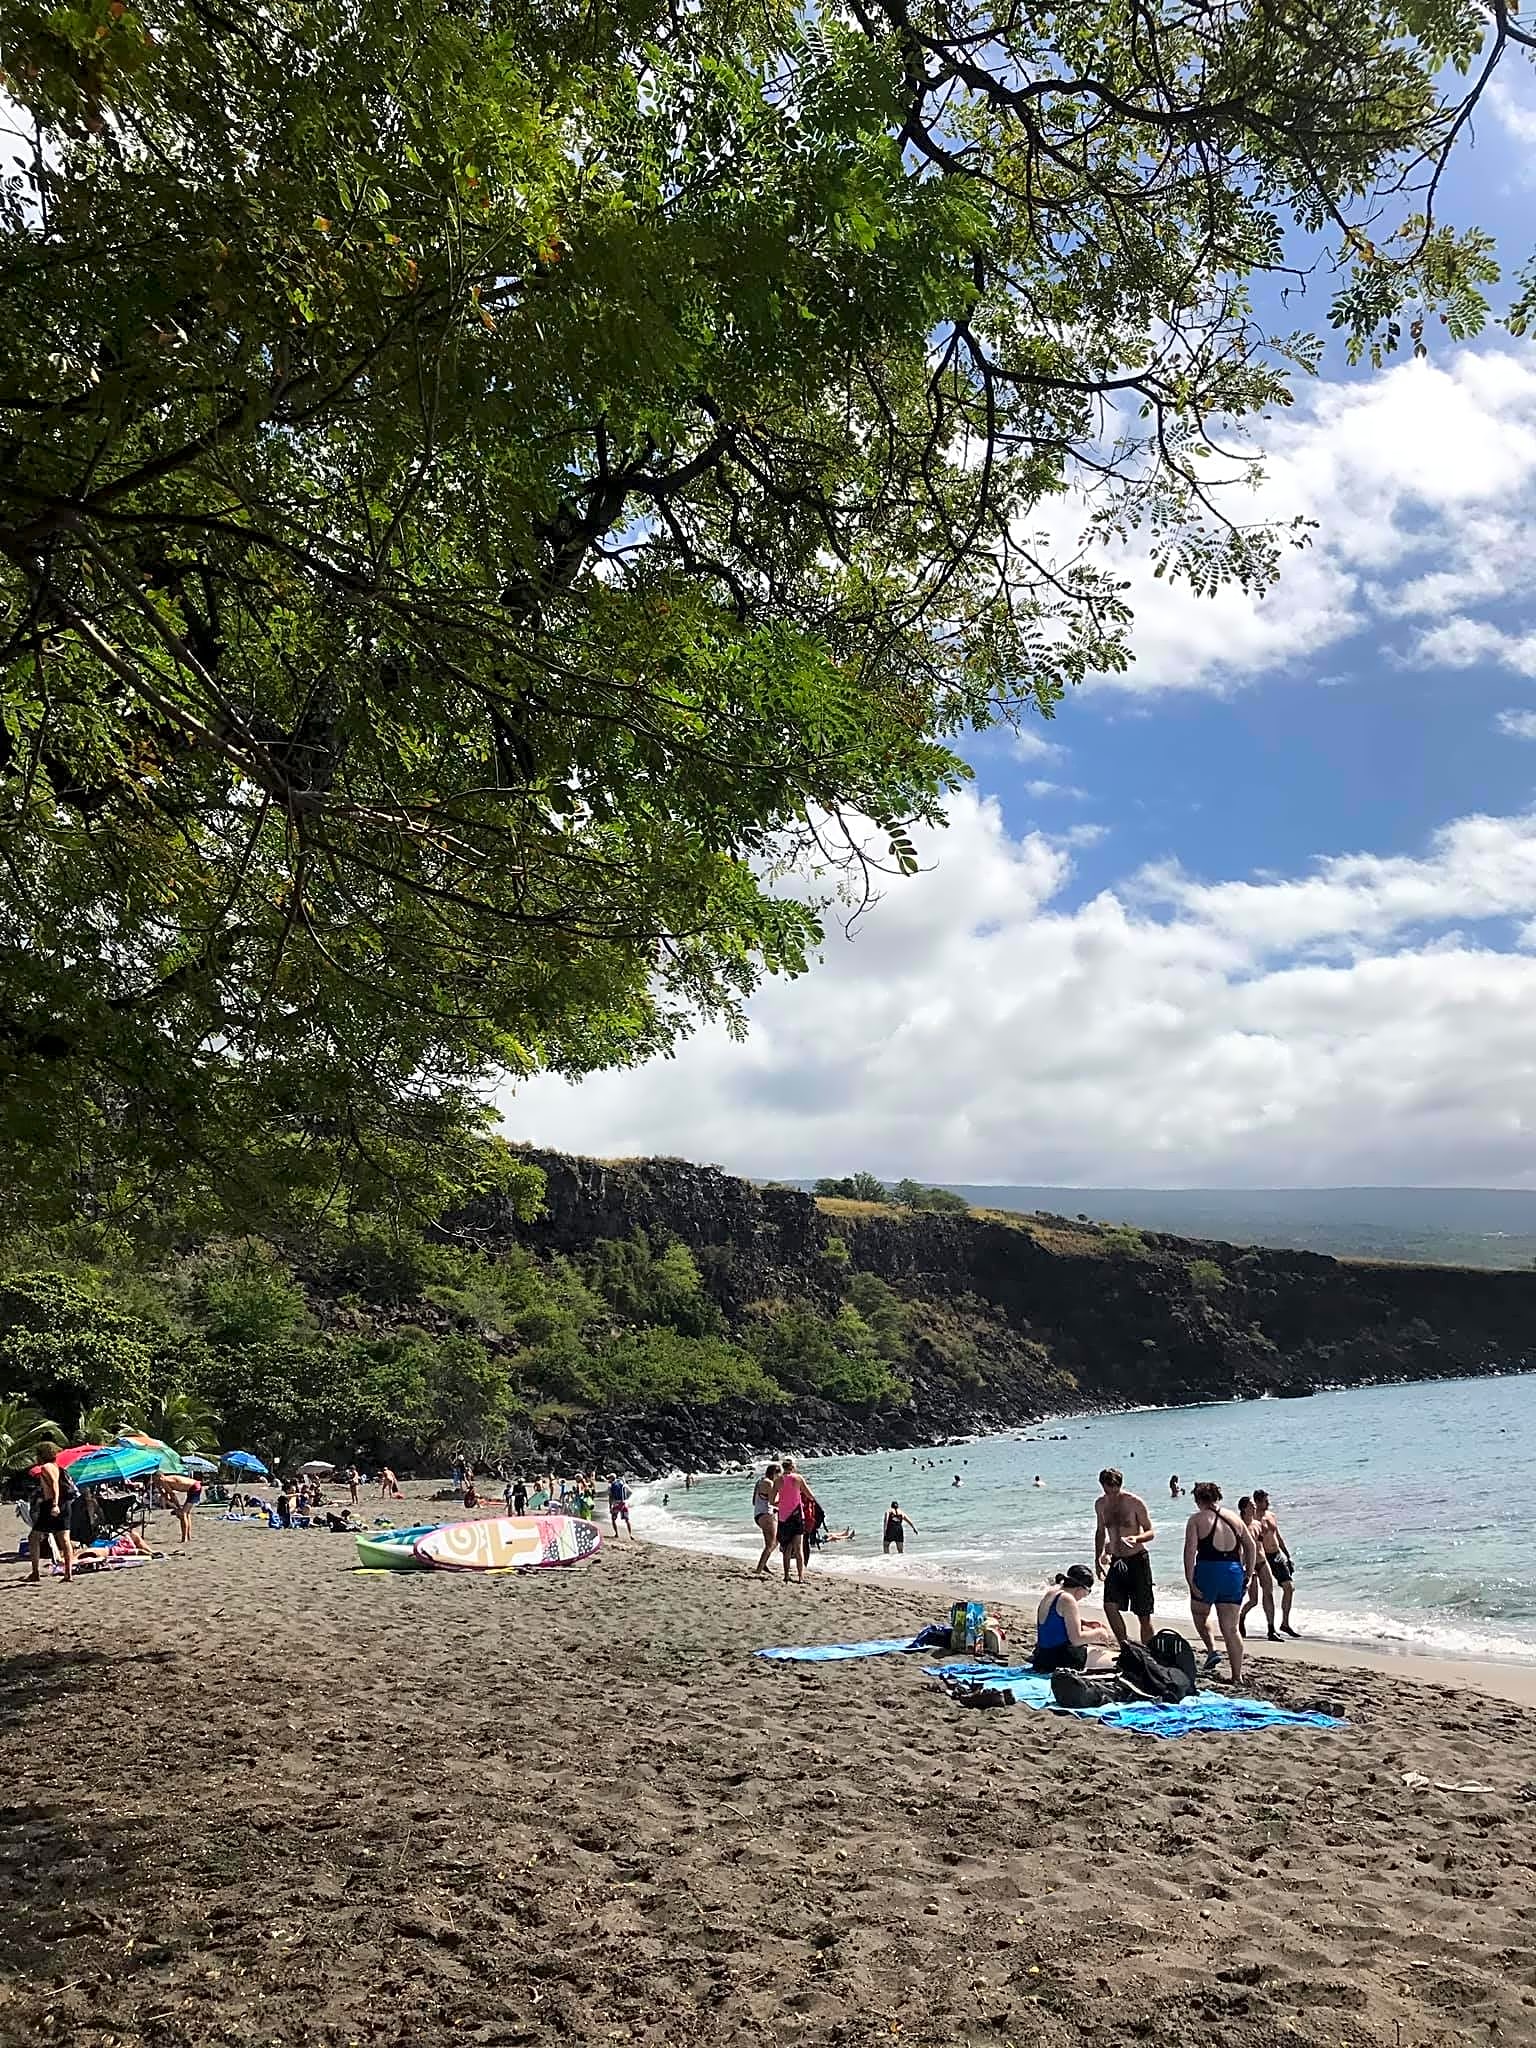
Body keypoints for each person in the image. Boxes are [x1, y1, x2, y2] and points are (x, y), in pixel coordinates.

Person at [1183, 1481, 1258, 1682]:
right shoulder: (1235, 1518)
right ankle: (1237, 1676)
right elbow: (1251, 1547)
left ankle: (1211, 1649)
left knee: (1200, 1613)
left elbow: (1190, 1552)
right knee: (1231, 1629)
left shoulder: (1197, 1520)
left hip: (1208, 1570)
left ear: (1198, 1500)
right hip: (1233, 1573)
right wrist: (1248, 1574)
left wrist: (1190, 1580)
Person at [1093, 1466, 1156, 1646]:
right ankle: (1124, 1645)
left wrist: (1136, 1538)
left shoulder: (1134, 1503)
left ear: (1119, 1486)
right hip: (1117, 1561)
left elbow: (1150, 1532)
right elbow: (1100, 1533)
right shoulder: (1100, 1504)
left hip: (1137, 1559)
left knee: (1143, 1614)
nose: (1111, 1493)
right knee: (1109, 1605)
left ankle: (1149, 1651)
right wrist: (1098, 1559)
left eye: (1114, 1488)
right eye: (1107, 1488)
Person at [1031, 1564, 1117, 1673]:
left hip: (1041, 1656)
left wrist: (1084, 1622)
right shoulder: (1068, 1599)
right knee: (1116, 1661)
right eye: (1088, 1592)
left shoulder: (1053, 1592)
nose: (1085, 1596)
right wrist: (1099, 1633)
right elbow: (1076, 1640)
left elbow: (1053, 1619)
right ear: (1081, 1588)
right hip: (1060, 1659)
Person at [1252, 1488, 1299, 1636]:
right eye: (1265, 1501)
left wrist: (1287, 1555)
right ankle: (1269, 1626)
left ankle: (1285, 1623)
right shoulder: (1253, 1519)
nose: (1268, 1503)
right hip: (1263, 1556)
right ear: (1258, 1502)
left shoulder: (1271, 1515)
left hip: (1276, 1554)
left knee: (1289, 1587)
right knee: (1268, 1591)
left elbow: (1277, 1536)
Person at [27, 1457, 76, 1583]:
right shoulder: (58, 1467)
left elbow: (54, 1483)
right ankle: (68, 1574)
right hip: (66, 1504)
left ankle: (35, 1573)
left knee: (34, 1537)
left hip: (51, 1505)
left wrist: (54, 1504)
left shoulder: (46, 1467)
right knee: (65, 1538)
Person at [772, 1456, 807, 1584]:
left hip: (783, 1518)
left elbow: (771, 1501)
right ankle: (800, 1577)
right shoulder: (798, 1478)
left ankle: (786, 1576)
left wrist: (782, 1503)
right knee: (798, 1549)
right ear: (792, 1467)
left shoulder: (777, 1480)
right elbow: (810, 1495)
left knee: (786, 1548)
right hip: (797, 1516)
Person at [751, 1463, 780, 1576]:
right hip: (767, 1515)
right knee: (771, 1543)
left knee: (774, 1541)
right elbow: (775, 1501)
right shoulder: (769, 1483)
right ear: (775, 1473)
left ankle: (764, 1563)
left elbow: (754, 1501)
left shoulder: (759, 1481)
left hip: (758, 1514)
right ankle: (759, 1568)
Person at [607, 1473, 634, 1538]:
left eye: (609, 1478)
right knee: (627, 1520)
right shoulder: (622, 1483)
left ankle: (616, 1534)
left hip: (616, 1504)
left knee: (613, 1519)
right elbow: (630, 1492)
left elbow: (610, 1497)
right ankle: (630, 1535)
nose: (608, 1480)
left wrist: (610, 1506)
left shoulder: (610, 1486)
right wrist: (625, 1499)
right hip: (624, 1503)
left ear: (611, 1478)